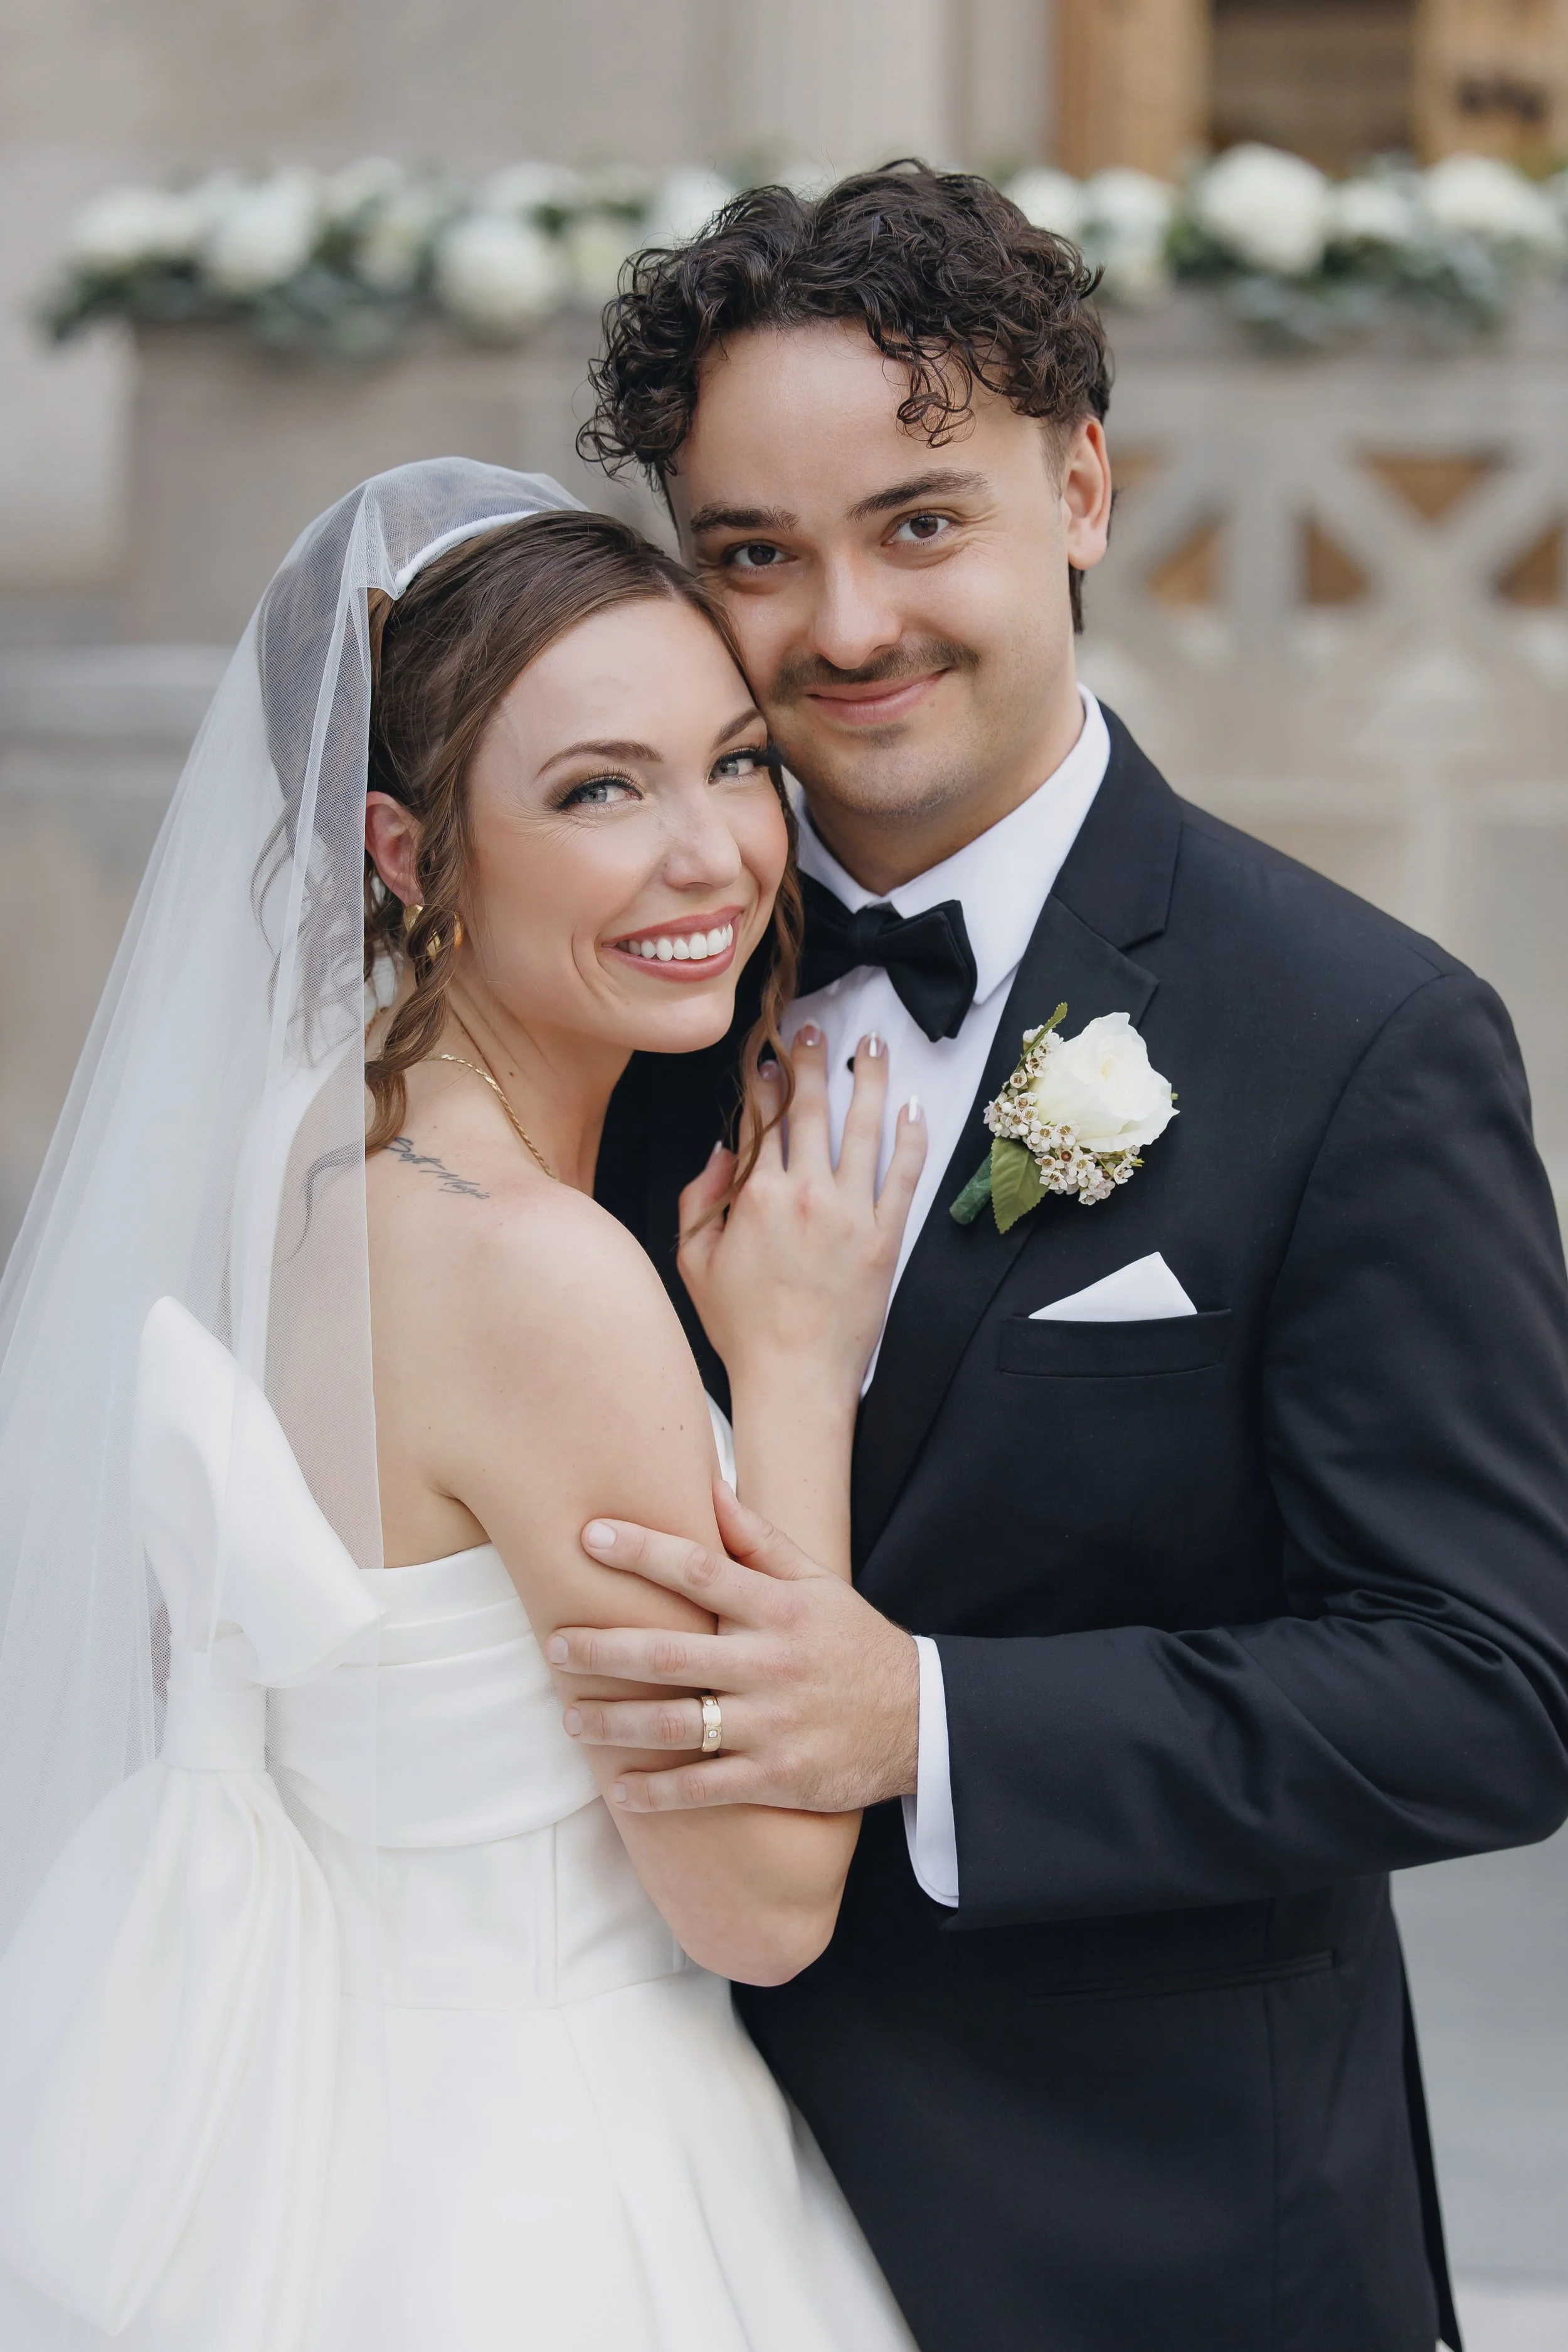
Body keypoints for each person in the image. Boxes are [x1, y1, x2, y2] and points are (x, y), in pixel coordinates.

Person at [568, 165, 1568, 2351]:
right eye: (754, 553)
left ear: (1080, 487)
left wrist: (918, 1719)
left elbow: (1493, 1682)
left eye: (919, 521)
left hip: (1158, 2244)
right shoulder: (599, 1001)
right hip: (638, 2205)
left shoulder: (1358, 1039)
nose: (842, 624)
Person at [0, 460, 923, 2351]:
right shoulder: (537, 1271)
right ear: (408, 853)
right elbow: (758, 1902)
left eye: (735, 761)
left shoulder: (298, 1148)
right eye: (599, 789)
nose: (713, 855)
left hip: (324, 2139)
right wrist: (798, 1372)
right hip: (547, 2187)